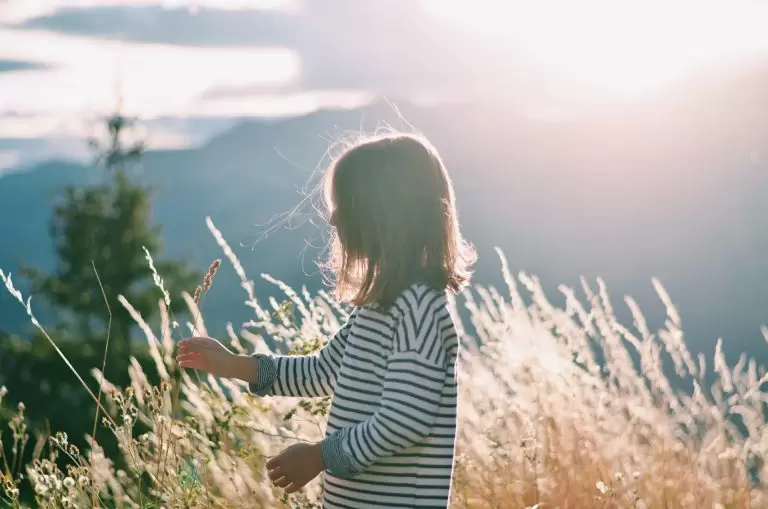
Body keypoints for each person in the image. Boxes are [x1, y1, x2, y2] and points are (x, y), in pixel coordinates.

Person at [176, 132, 476, 508]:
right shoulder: (378, 307)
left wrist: (319, 456)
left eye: (345, 206)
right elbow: (323, 370)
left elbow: (404, 420)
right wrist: (236, 365)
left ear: (384, 215)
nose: (333, 218)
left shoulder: (419, 309)